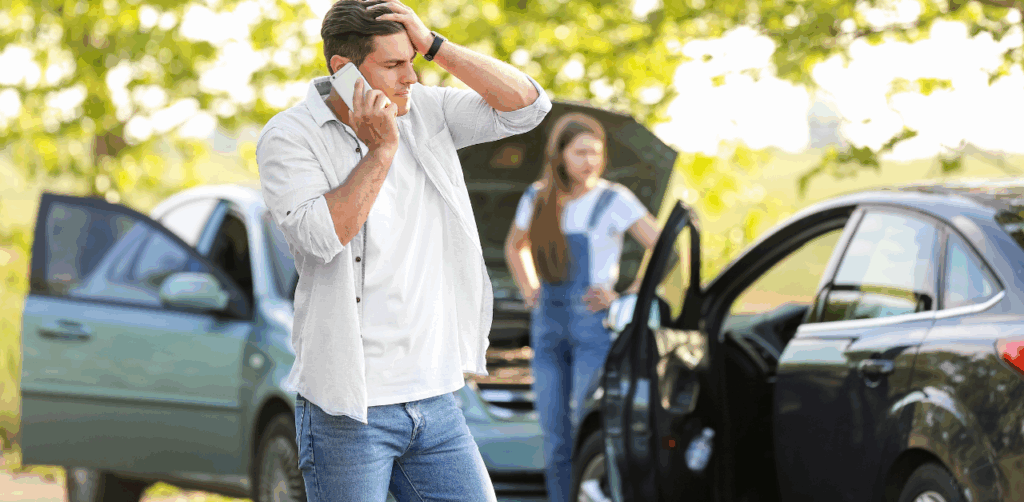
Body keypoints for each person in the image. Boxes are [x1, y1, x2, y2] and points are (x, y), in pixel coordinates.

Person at [255, 0, 552, 500]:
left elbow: (527, 106)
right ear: (344, 71)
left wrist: (436, 44)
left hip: (436, 401)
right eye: (394, 65)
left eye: (411, 59)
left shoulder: (428, 110)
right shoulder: (288, 137)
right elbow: (322, 236)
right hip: (349, 409)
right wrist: (381, 152)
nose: (410, 77)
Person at [504, 112, 661, 502]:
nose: (590, 161)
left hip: (594, 330)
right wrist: (530, 288)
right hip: (547, 328)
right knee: (554, 433)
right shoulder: (538, 197)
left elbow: (663, 245)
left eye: (596, 152)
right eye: (580, 152)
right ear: (560, 155)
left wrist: (627, 295)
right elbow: (514, 245)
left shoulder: (613, 199)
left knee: (586, 426)